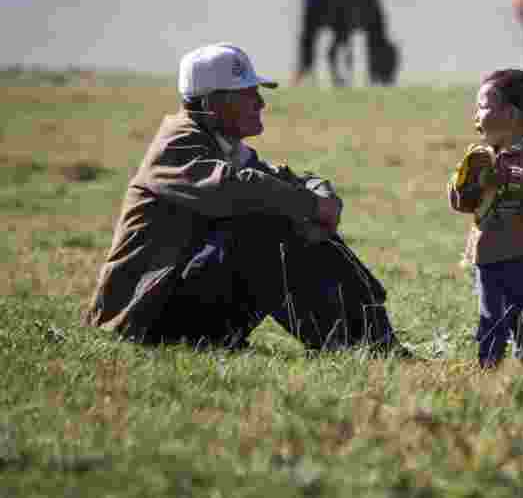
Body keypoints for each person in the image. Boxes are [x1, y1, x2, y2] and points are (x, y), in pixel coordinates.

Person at [84, 43, 402, 352]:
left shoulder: (219, 142)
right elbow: (237, 188)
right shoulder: (176, 145)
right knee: (265, 224)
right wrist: (312, 206)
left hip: (175, 306)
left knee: (280, 214)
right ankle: (350, 344)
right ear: (213, 104)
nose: (261, 103)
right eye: (249, 94)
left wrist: (321, 198)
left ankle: (374, 340)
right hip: (141, 320)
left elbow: (283, 182)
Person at [447, 69, 523, 367]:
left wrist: (516, 178)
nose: (476, 114)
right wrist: (464, 184)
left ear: (513, 115)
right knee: (491, 315)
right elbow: (462, 202)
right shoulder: (478, 157)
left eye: (483, 106)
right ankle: (489, 366)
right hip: (487, 254)